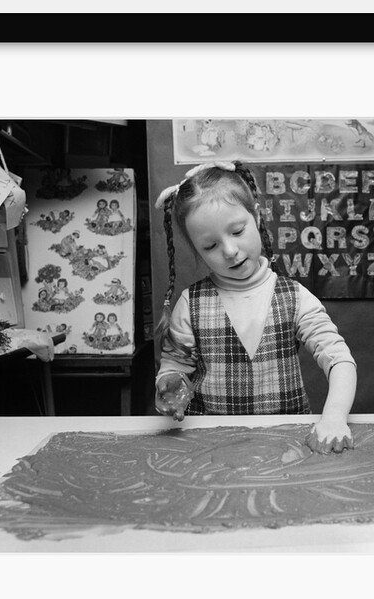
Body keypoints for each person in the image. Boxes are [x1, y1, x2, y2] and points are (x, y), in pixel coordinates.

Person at [153, 160, 357, 454]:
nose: (230, 250)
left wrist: (335, 417)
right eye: (209, 246)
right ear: (196, 249)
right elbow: (175, 366)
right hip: (210, 447)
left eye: (237, 231)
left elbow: (340, 361)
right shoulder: (190, 302)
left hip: (285, 444)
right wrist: (170, 382)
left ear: (257, 218)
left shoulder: (295, 297)